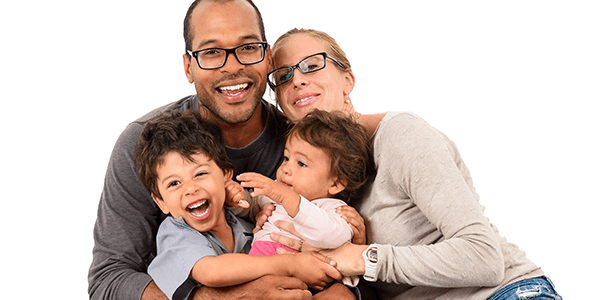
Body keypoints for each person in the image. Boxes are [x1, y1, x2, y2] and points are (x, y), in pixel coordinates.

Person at [265, 28, 562, 300]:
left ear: (348, 80)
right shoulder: (305, 180)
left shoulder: (400, 134)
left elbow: (484, 256)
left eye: (313, 65)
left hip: (504, 292)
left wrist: (361, 255)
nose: (298, 80)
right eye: (283, 76)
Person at [88, 1, 358, 299]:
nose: (233, 66)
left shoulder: (304, 147)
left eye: (248, 47)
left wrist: (353, 241)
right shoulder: (147, 144)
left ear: (267, 58)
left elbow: (358, 273)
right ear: (188, 68)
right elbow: (108, 280)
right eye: (211, 52)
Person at [132, 110, 342, 300]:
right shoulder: (176, 233)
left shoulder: (244, 224)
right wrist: (292, 265)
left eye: (201, 174)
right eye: (174, 183)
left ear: (225, 174)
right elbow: (212, 272)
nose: (190, 188)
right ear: (160, 202)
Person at [234, 110, 375, 287]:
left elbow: (330, 235)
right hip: (258, 272)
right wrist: (235, 199)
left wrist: (287, 197)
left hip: (298, 284)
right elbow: (253, 203)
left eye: (301, 163)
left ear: (336, 184)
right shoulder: (279, 193)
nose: (285, 168)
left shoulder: (334, 209)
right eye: (286, 158)